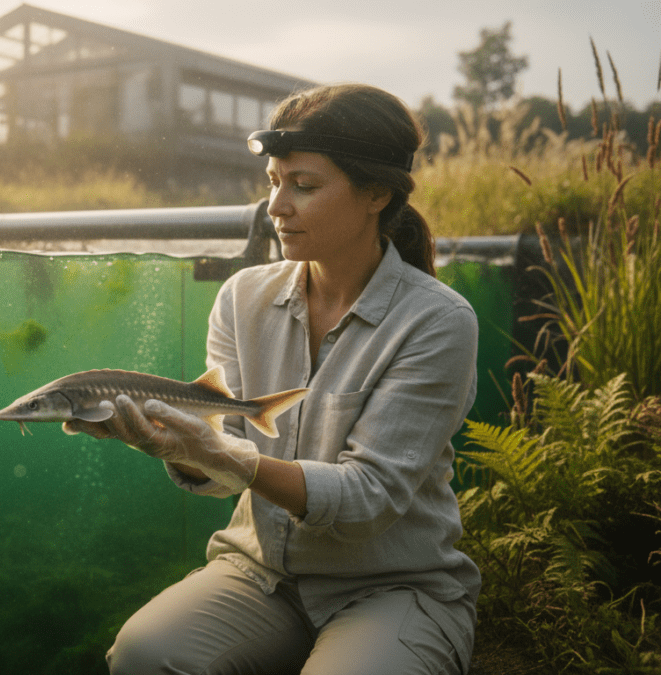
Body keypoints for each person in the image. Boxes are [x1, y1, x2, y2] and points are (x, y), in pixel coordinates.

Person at [64, 83, 481, 675]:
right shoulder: (243, 297)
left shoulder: (438, 321)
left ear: (377, 193)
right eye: (272, 182)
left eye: (304, 186)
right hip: (259, 573)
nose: (277, 207)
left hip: (392, 586)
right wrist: (182, 450)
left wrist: (234, 460)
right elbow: (221, 473)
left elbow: (369, 498)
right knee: (143, 655)